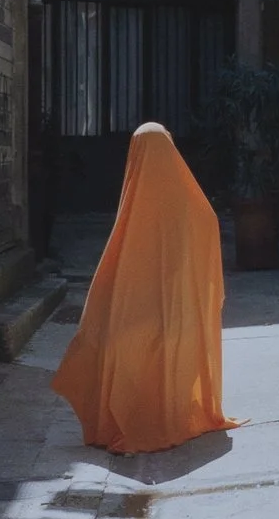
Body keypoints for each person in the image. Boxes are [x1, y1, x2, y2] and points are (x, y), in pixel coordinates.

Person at [51, 119, 234, 455]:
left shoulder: (136, 200)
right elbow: (206, 233)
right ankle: (166, 416)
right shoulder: (191, 203)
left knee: (116, 345)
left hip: (145, 311)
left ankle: (131, 420)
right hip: (180, 311)